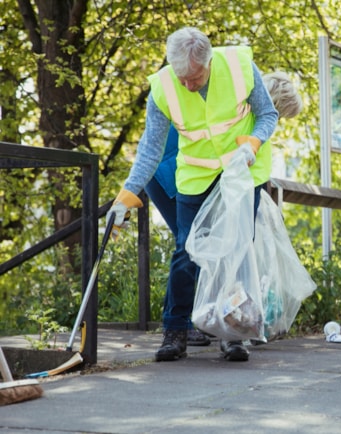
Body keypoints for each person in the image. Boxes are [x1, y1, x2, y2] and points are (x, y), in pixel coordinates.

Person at [108, 26, 279, 362]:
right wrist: (127, 194)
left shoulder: (240, 65)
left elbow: (268, 114)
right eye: (181, 77)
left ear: (209, 61)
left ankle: (232, 334)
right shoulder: (162, 87)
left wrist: (254, 143)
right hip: (196, 175)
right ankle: (175, 331)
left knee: (236, 250)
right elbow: (150, 148)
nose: (187, 85)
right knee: (187, 249)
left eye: (195, 77)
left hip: (242, 171)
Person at [144, 71, 303, 348]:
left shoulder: (239, 106)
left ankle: (213, 321)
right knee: (193, 246)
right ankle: (190, 324)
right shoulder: (237, 113)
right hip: (170, 175)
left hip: (178, 174)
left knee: (200, 248)